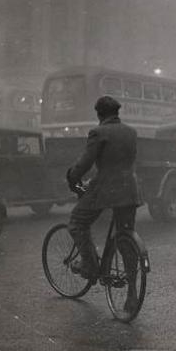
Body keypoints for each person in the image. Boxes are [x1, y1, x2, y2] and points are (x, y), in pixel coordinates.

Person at [66, 95, 141, 310]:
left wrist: (72, 176)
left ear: (99, 114)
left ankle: (90, 265)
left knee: (77, 222)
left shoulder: (98, 132)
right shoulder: (131, 132)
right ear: (117, 113)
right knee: (126, 239)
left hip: (106, 189)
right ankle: (132, 295)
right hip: (129, 189)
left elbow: (85, 162)